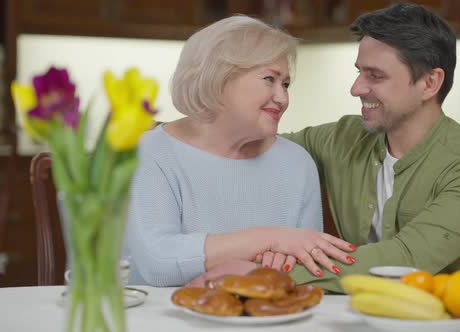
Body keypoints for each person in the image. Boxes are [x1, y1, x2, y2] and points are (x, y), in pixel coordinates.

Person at [192, 3, 460, 292]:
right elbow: (245, 146)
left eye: (376, 76)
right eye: (359, 71)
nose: (356, 88)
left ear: (429, 83)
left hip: (458, 321)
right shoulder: (343, 138)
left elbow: (404, 258)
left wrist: (260, 272)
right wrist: (161, 134)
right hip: (361, 314)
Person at [124, 15, 356, 287]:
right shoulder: (151, 153)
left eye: (285, 84)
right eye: (269, 79)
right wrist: (269, 240)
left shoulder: (296, 163)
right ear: (218, 78)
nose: (282, 98)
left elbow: (303, 266)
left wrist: (242, 264)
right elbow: (157, 263)